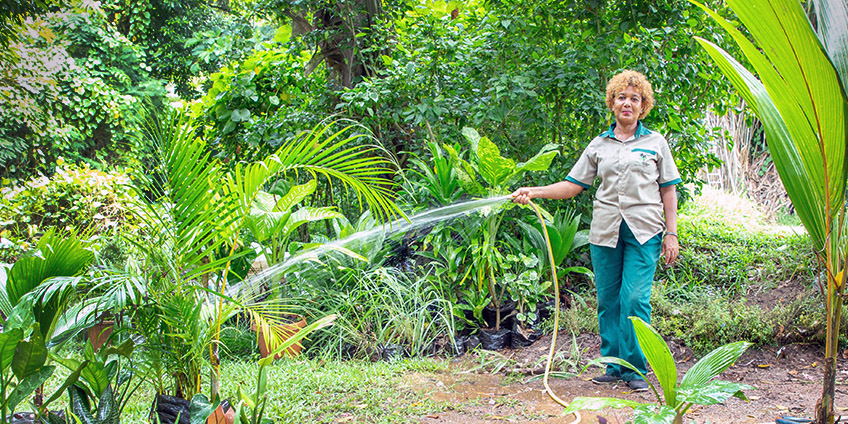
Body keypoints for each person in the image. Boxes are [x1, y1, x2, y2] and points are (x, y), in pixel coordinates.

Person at [511, 70, 681, 392]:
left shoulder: (655, 142)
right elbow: (573, 185)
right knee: (608, 300)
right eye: (621, 97)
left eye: (634, 98)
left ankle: (636, 368)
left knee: (634, 299)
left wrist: (671, 234)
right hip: (605, 232)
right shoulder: (599, 144)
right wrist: (534, 191)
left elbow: (668, 190)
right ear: (612, 103)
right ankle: (614, 366)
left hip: (644, 231)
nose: (627, 103)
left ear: (642, 106)